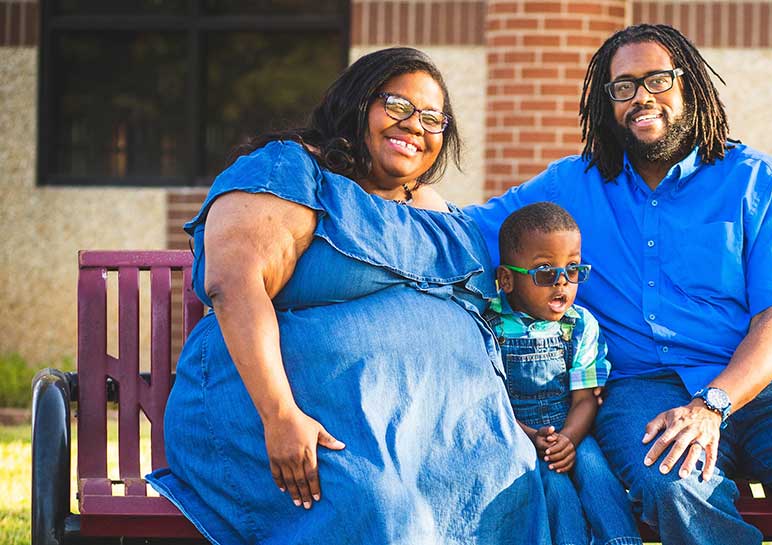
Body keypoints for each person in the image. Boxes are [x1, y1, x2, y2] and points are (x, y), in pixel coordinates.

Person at [465, 24, 772, 545]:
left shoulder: (760, 182)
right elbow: (466, 227)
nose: (640, 98)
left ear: (690, 86)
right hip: (643, 391)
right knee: (674, 489)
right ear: (607, 104)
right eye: (623, 87)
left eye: (657, 80)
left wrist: (712, 405)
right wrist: (389, 193)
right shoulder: (572, 185)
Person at [146, 47, 549, 545]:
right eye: (398, 106)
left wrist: (498, 421)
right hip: (282, 418)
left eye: (432, 118)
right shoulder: (293, 170)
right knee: (382, 513)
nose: (415, 126)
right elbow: (233, 284)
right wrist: (280, 416)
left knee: (518, 482)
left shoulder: (438, 212)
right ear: (357, 103)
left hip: (421, 434)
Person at [486, 202, 641, 545]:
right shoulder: (489, 327)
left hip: (572, 426)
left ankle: (621, 540)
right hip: (515, 434)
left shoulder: (579, 325)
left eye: (573, 269)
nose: (562, 283)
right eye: (544, 272)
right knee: (554, 487)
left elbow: (585, 398)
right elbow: (488, 402)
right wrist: (530, 436)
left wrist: (569, 438)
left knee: (597, 472)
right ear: (507, 279)